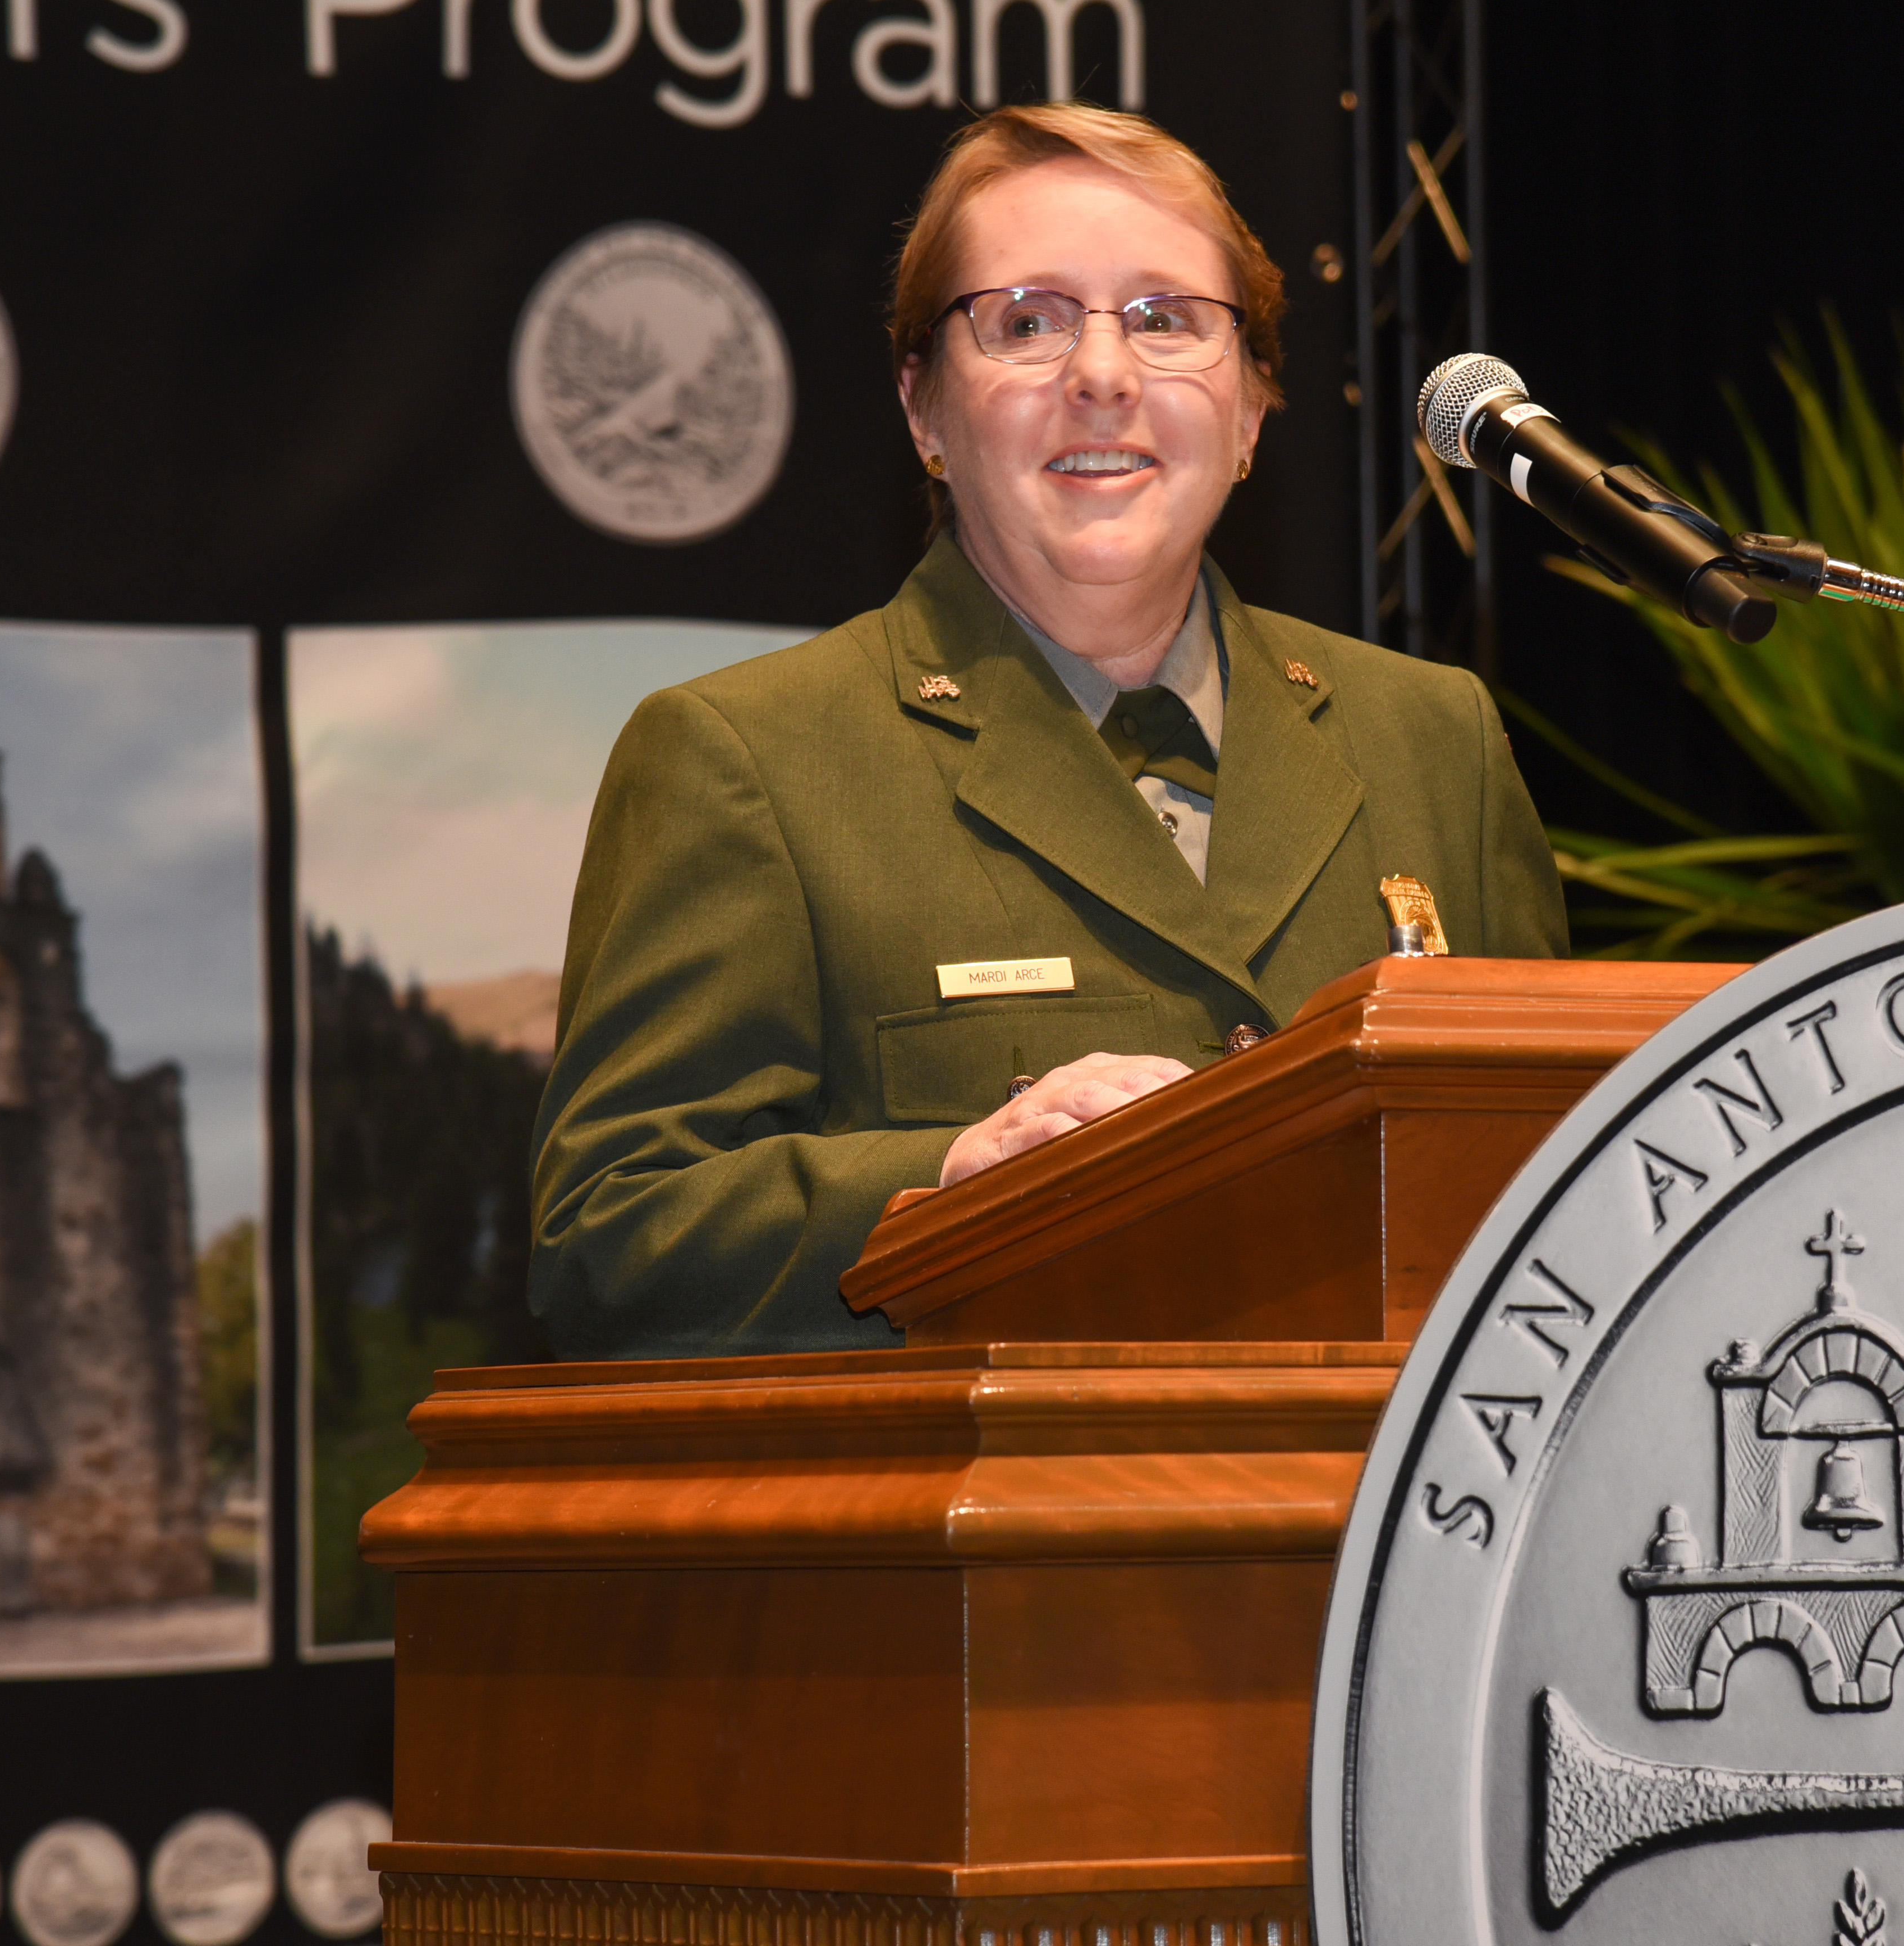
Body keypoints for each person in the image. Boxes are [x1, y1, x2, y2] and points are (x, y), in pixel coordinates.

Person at [527, 103, 1567, 1360]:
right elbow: (606, 1240)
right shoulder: (747, 757)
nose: (1103, 373)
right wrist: (955, 1170)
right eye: (1025, 321)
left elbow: (1551, 1194)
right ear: (922, 410)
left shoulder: (1433, 738)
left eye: (1165, 319)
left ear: (1248, 412)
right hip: (991, 1536)